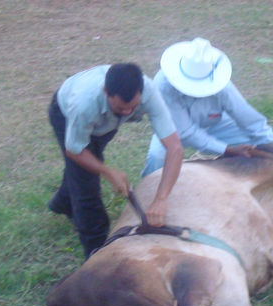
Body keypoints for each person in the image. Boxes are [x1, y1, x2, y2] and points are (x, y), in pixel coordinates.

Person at [141, 37, 273, 212]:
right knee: (156, 157)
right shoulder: (163, 84)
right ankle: (150, 200)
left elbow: (252, 122)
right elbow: (186, 132)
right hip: (174, 129)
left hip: (216, 123)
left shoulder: (224, 88)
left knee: (264, 151)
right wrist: (227, 149)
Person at [47, 63, 184, 258]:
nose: (128, 113)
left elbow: (175, 148)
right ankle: (96, 254)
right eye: (121, 108)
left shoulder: (149, 92)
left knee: (81, 170)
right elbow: (75, 150)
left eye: (133, 108)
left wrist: (161, 199)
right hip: (66, 116)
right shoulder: (84, 104)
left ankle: (61, 203)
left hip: (102, 124)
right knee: (87, 188)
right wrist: (108, 172)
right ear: (105, 92)